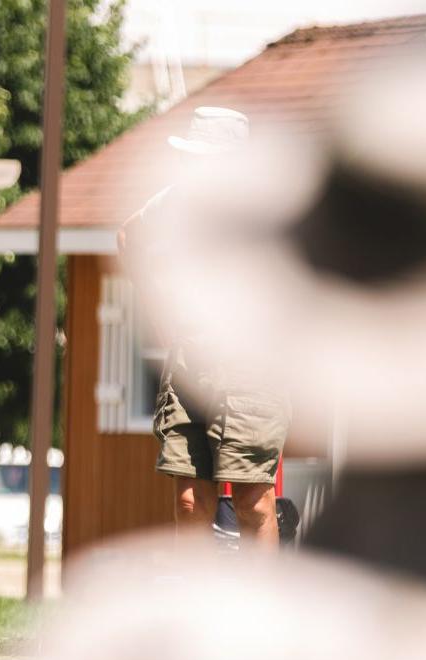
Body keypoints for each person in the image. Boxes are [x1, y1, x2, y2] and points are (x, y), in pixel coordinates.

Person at [120, 107, 289, 549]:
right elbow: (127, 237)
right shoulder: (173, 201)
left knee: (253, 502)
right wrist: (160, 315)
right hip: (190, 364)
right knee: (192, 501)